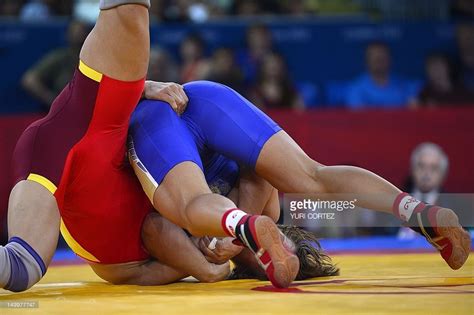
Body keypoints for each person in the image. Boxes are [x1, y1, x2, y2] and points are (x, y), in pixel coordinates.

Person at [129, 81, 471, 280]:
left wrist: (224, 244)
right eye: (271, 250)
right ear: (279, 233)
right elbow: (259, 179)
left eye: (264, 256)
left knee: (313, 176)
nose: (265, 253)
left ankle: (416, 211)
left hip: (173, 116)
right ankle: (415, 211)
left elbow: (156, 228)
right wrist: (223, 249)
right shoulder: (265, 212)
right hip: (192, 109)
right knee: (313, 175)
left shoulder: (228, 236)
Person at [0, 0, 190, 293]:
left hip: (104, 125)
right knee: (20, 268)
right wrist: (213, 264)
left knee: (20, 269)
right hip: (94, 124)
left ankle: (285, 236)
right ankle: (285, 237)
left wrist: (212, 262)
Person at [22, 20, 90, 109]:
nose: (79, 35)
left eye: (82, 31)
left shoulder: (95, 59)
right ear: (68, 35)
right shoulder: (60, 58)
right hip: (63, 112)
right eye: (75, 31)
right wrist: (52, 100)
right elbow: (29, 80)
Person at [346, 42, 418, 109]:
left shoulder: (404, 86)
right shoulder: (356, 88)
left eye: (382, 58)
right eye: (376, 59)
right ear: (367, 61)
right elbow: (358, 117)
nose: (379, 62)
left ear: (390, 59)